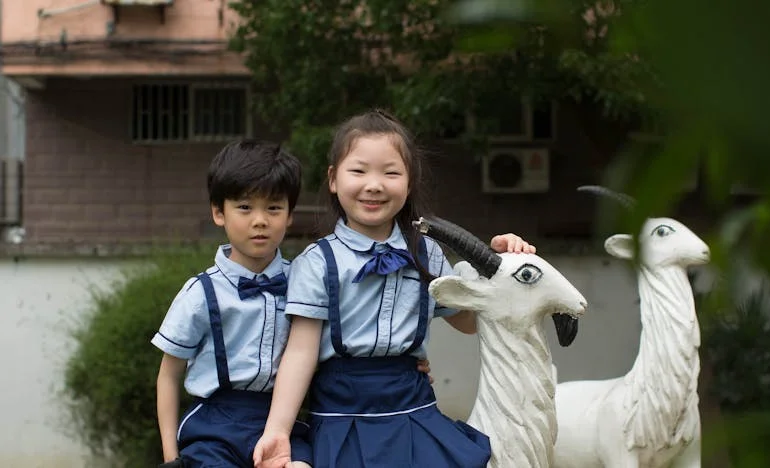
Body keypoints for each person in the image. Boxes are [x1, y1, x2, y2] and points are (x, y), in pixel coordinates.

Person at [252, 110, 536, 468]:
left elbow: (469, 322)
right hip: (343, 419)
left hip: (414, 411)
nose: (374, 185)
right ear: (333, 179)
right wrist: (278, 430)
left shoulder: (427, 252)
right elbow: (300, 353)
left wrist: (498, 267)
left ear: (410, 181)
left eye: (390, 172)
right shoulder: (318, 261)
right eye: (358, 171)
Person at [152, 140, 313, 468]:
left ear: (290, 215)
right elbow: (168, 375)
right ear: (218, 212)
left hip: (283, 420)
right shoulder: (201, 293)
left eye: (273, 208)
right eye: (244, 207)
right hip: (214, 428)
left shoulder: (306, 282)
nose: (260, 221)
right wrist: (171, 458)